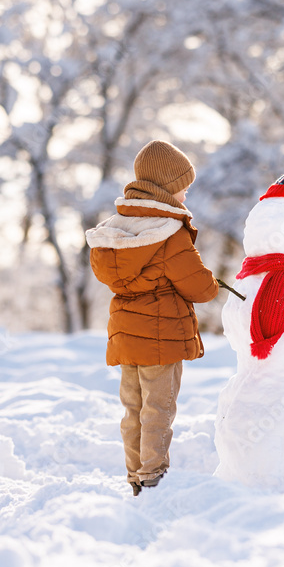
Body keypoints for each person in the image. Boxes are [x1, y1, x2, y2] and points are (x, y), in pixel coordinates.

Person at [86, 140, 219, 496]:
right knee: (158, 409)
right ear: (166, 187)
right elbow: (200, 288)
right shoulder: (169, 233)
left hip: (126, 336)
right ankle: (153, 476)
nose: (186, 196)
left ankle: (135, 476)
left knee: (133, 409)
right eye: (182, 188)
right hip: (162, 338)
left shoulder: (116, 230)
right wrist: (211, 282)